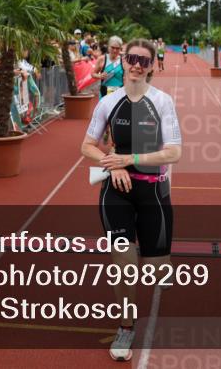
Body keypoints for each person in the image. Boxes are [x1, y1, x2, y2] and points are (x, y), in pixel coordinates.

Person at [80, 38, 182, 362]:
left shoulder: (162, 102)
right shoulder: (109, 102)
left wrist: (129, 158)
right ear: (122, 61)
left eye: (144, 60)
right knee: (125, 264)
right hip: (117, 191)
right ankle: (126, 326)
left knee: (155, 270)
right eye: (131, 58)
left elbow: (174, 152)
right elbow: (87, 146)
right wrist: (113, 163)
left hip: (154, 190)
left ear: (152, 66)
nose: (137, 64)